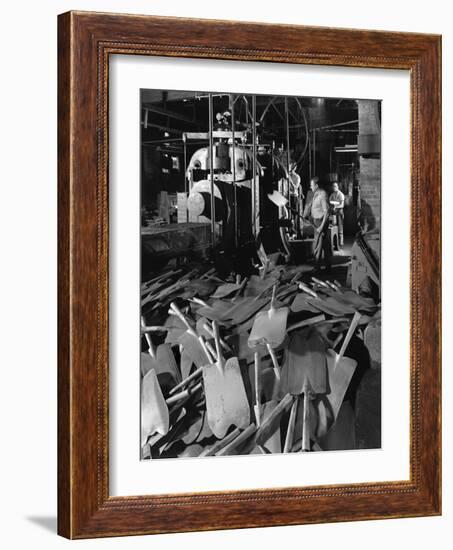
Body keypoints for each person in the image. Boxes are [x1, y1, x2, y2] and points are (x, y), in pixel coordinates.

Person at [305, 177, 331, 271]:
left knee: (318, 245)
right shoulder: (315, 194)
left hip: (320, 222)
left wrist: (321, 227)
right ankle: (328, 266)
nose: (310, 187)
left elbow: (326, 212)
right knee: (324, 244)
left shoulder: (322, 195)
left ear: (316, 185)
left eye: (311, 185)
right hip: (316, 222)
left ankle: (317, 267)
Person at [329, 181, 345, 248]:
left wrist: (336, 207)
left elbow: (342, 205)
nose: (334, 187)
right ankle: (336, 244)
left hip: (339, 212)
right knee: (334, 227)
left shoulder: (341, 194)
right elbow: (329, 201)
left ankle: (341, 244)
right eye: (333, 186)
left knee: (340, 228)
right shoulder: (332, 194)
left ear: (338, 187)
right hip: (334, 213)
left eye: (335, 186)